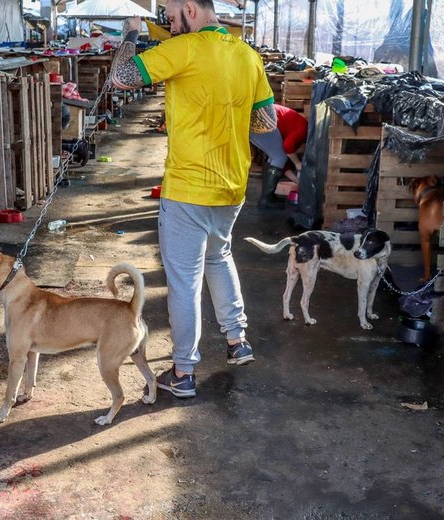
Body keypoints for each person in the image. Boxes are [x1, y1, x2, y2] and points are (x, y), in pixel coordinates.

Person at [111, 2, 277, 398]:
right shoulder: (247, 55)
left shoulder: (183, 49)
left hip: (188, 188)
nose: (168, 22)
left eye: (169, 14)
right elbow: (266, 123)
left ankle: (183, 371)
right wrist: (229, 111)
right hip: (232, 186)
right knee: (219, 257)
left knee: (184, 281)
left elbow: (121, 76)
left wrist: (132, 34)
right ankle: (238, 341)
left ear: (190, 8)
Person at [249, 103, 308, 209]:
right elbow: (288, 146)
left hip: (256, 118)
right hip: (262, 118)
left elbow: (281, 162)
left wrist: (297, 181)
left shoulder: (294, 130)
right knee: (279, 156)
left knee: (276, 157)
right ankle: (266, 201)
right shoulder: (304, 129)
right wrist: (297, 163)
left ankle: (268, 197)